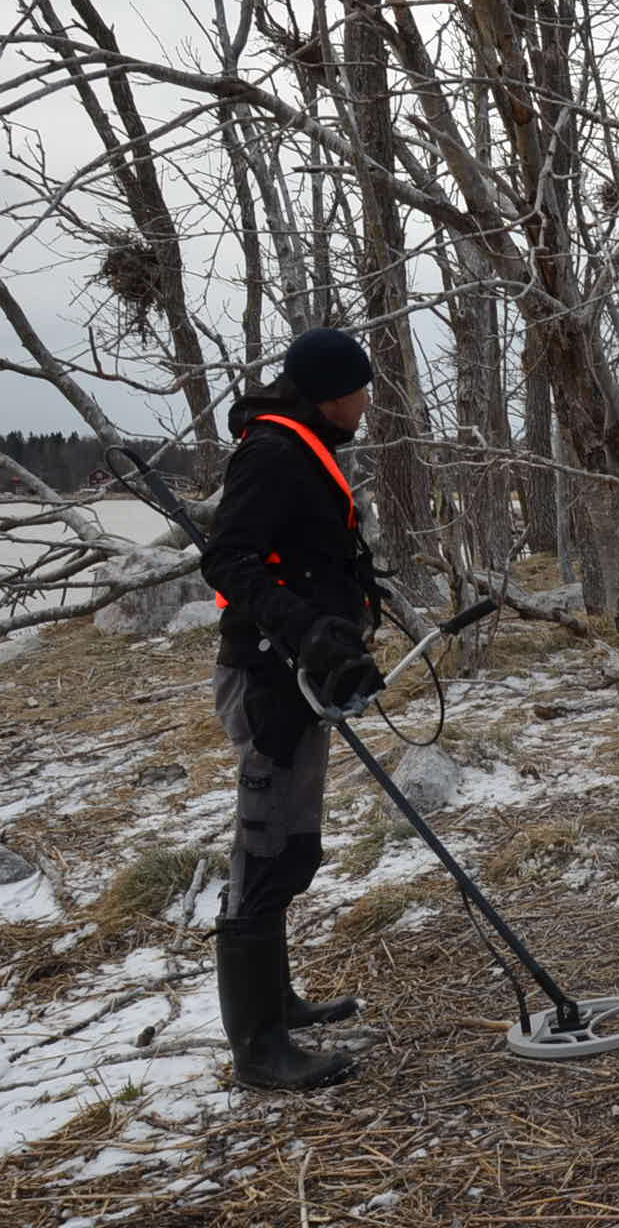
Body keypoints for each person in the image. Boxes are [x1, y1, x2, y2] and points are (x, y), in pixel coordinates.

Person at [201, 327, 388, 1090]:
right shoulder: (274, 451)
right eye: (359, 390)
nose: (368, 403)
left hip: (301, 677)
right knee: (269, 849)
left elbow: (306, 555)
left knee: (293, 846)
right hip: (270, 677)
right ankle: (258, 1048)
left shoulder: (303, 446)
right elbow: (228, 558)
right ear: (325, 393)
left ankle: (277, 1003)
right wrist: (304, 627)